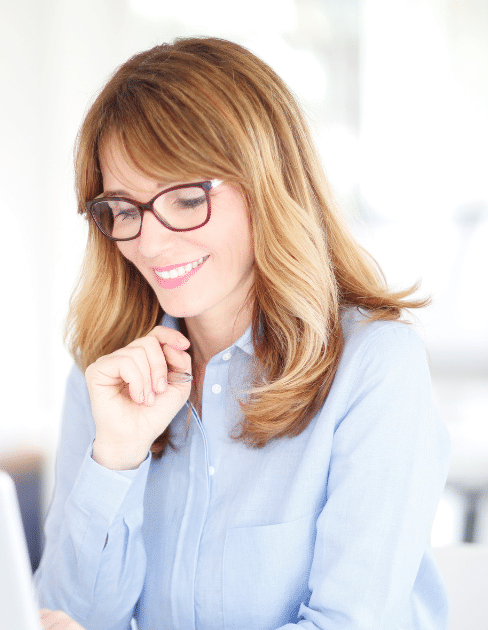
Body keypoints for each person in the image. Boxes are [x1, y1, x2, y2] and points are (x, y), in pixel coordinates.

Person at [33, 37, 451, 630]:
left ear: (269, 184)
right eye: (124, 210)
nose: (150, 244)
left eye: (184, 199)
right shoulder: (109, 375)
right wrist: (116, 458)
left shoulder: (375, 365)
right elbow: (65, 618)